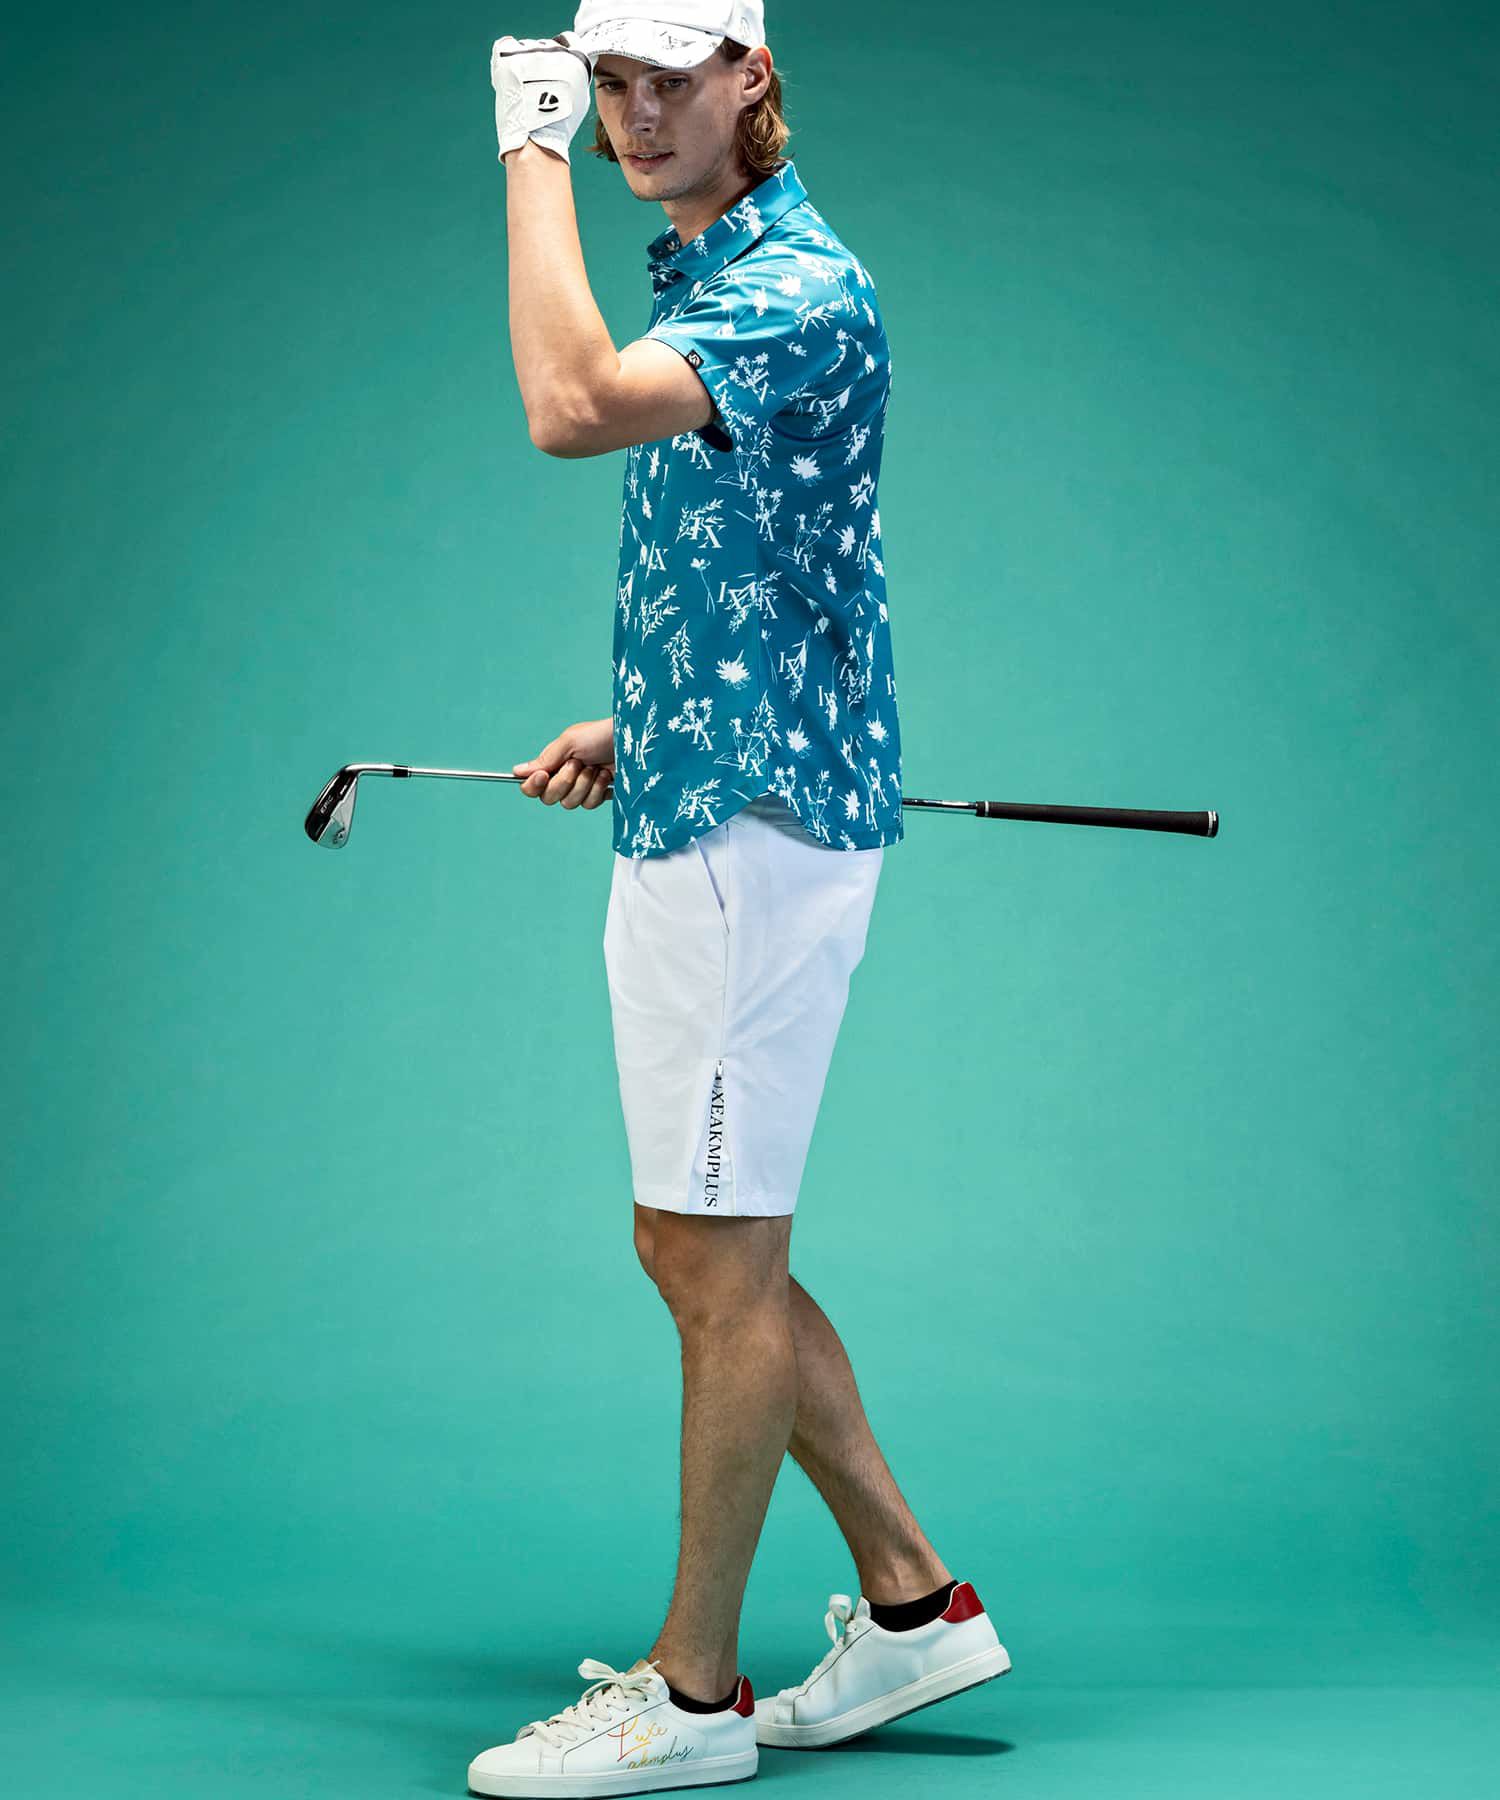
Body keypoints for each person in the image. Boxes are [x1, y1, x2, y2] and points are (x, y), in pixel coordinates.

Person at [471, 6, 1009, 1793]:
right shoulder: (717, 265)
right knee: (706, 1248)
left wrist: (524, 149)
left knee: (716, 1263)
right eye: (602, 82)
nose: (630, 112)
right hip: (718, 792)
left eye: (665, 77)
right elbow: (778, 551)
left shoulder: (796, 286)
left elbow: (569, 408)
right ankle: (915, 1605)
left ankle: (691, 1703)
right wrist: (652, 719)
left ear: (751, 77)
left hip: (751, 846)